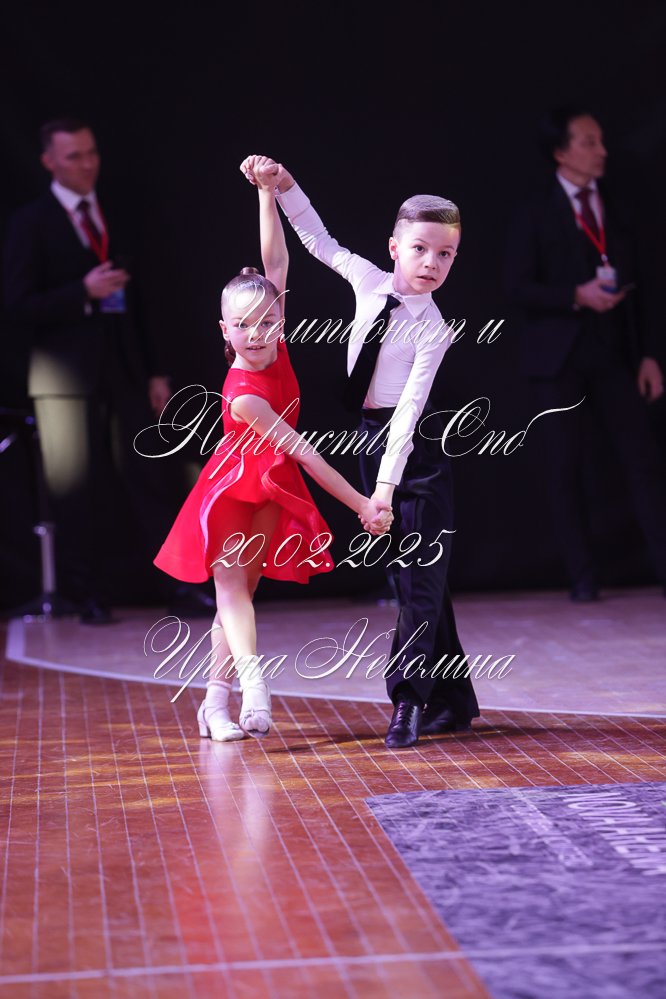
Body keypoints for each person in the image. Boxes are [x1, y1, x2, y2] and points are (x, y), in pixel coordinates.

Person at [241, 156, 480, 749]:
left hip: (415, 454)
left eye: (445, 254)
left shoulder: (433, 330)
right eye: (420, 249)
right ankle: (454, 700)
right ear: (395, 248)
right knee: (417, 578)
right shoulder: (369, 281)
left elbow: (409, 414)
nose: (432, 263)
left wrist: (385, 491)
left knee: (418, 580)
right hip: (371, 442)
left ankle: (409, 700)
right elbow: (317, 240)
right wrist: (284, 185)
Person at [154, 156, 392, 741]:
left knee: (237, 599)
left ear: (280, 320)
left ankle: (214, 706)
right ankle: (255, 686)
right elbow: (307, 453)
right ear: (224, 330)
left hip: (269, 484)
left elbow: (276, 262)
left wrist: (266, 192)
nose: (257, 333)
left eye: (267, 321)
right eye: (243, 325)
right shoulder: (244, 397)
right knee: (233, 594)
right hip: (231, 489)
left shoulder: (275, 342)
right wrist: (363, 504)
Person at [2, 117, 214, 623]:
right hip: (62, 380)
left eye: (91, 153)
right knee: (74, 490)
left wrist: (155, 371)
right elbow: (16, 304)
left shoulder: (113, 214)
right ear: (49, 161)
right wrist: (82, 292)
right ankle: (85, 595)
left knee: (151, 477)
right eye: (73, 156)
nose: (86, 164)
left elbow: (140, 302)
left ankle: (180, 586)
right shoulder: (31, 222)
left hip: (123, 369)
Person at [505, 107, 666, 601]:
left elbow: (646, 285)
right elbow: (516, 287)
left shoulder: (619, 206)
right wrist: (575, 295)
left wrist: (649, 355)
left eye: (601, 141)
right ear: (561, 151)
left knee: (644, 461)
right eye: (589, 142)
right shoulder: (534, 211)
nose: (602, 151)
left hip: (615, 353)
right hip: (558, 360)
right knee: (566, 467)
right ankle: (583, 579)